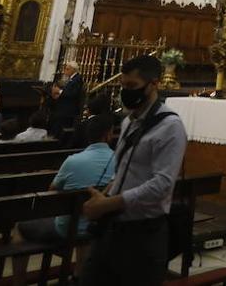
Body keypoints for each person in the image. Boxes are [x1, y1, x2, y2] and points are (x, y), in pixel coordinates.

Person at [78, 55, 186, 286]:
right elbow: (125, 168)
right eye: (123, 86)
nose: (125, 92)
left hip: (143, 234)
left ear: (154, 84)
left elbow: (163, 185)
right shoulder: (129, 121)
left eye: (132, 86)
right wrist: (106, 194)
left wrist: (110, 203)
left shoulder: (170, 127)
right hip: (112, 227)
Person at [19, 114, 117, 244]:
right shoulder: (120, 160)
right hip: (102, 226)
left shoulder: (73, 161)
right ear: (108, 135)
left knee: (22, 227)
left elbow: (51, 193)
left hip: (67, 229)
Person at [50, 61, 84, 139]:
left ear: (73, 69)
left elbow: (73, 94)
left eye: (67, 69)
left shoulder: (77, 79)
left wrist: (59, 91)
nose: (65, 71)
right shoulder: (72, 79)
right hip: (64, 108)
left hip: (68, 110)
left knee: (62, 128)